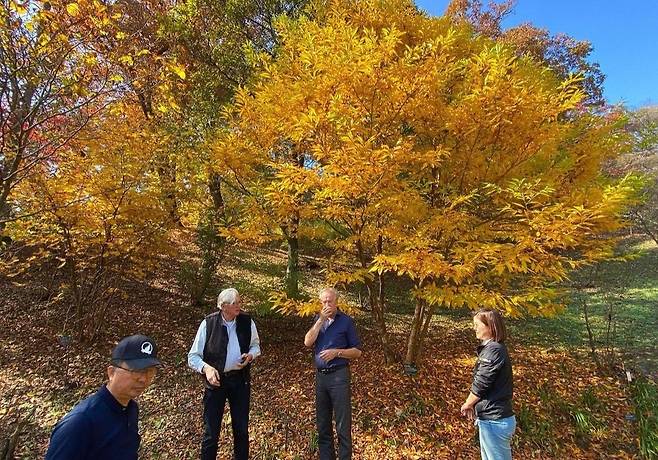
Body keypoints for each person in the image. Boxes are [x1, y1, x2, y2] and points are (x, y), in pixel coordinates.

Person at [45, 334, 161, 460]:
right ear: (111, 372)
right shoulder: (80, 422)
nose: (143, 379)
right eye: (136, 371)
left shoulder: (131, 410)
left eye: (149, 372)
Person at [188, 288, 261, 460]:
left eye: (239, 302)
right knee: (211, 432)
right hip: (216, 382)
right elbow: (193, 357)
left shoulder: (247, 321)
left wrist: (251, 355)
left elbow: (256, 346)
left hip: (239, 381)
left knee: (241, 429)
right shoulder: (209, 323)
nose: (239, 306)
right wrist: (207, 369)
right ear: (223, 306)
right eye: (235, 303)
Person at [304, 287, 362, 460]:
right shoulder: (317, 320)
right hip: (321, 377)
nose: (327, 304)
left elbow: (357, 351)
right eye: (324, 302)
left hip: (339, 376)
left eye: (330, 301)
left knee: (343, 425)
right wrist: (320, 320)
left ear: (336, 302)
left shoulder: (346, 321)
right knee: (323, 424)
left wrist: (337, 352)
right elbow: (307, 342)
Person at [460, 309, 516, 460]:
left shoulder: (494, 350)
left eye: (477, 325)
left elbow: (482, 382)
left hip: (495, 420)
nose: (474, 328)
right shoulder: (494, 348)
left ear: (490, 326)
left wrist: (468, 404)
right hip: (492, 418)